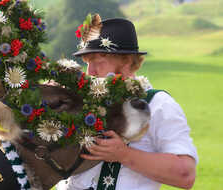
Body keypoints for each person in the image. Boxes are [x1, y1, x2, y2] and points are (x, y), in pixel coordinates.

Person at [56, 17, 198, 190]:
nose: (90, 72)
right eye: (87, 63)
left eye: (98, 62)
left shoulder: (158, 105)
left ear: (127, 62)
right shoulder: (79, 100)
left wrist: (123, 154)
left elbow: (186, 174)